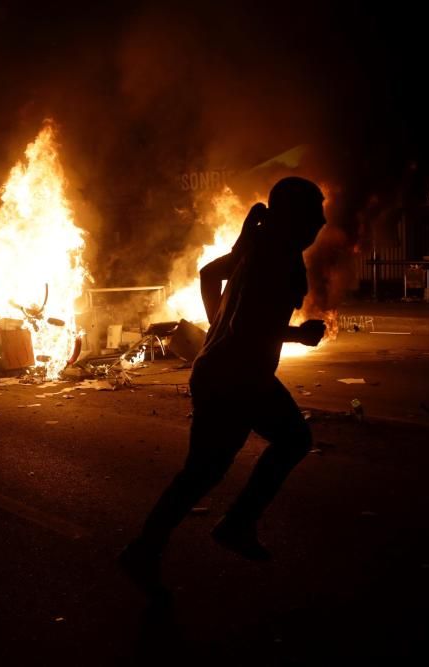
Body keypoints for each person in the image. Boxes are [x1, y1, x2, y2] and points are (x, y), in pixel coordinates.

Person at [120, 177, 327, 597]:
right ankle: (235, 524)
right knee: (291, 441)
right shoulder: (277, 255)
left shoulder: (256, 247)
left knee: (202, 473)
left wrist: (217, 323)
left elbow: (207, 274)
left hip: (225, 372)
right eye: (314, 213)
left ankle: (145, 549)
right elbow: (251, 327)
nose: (321, 222)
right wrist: (299, 335)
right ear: (295, 216)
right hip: (237, 377)